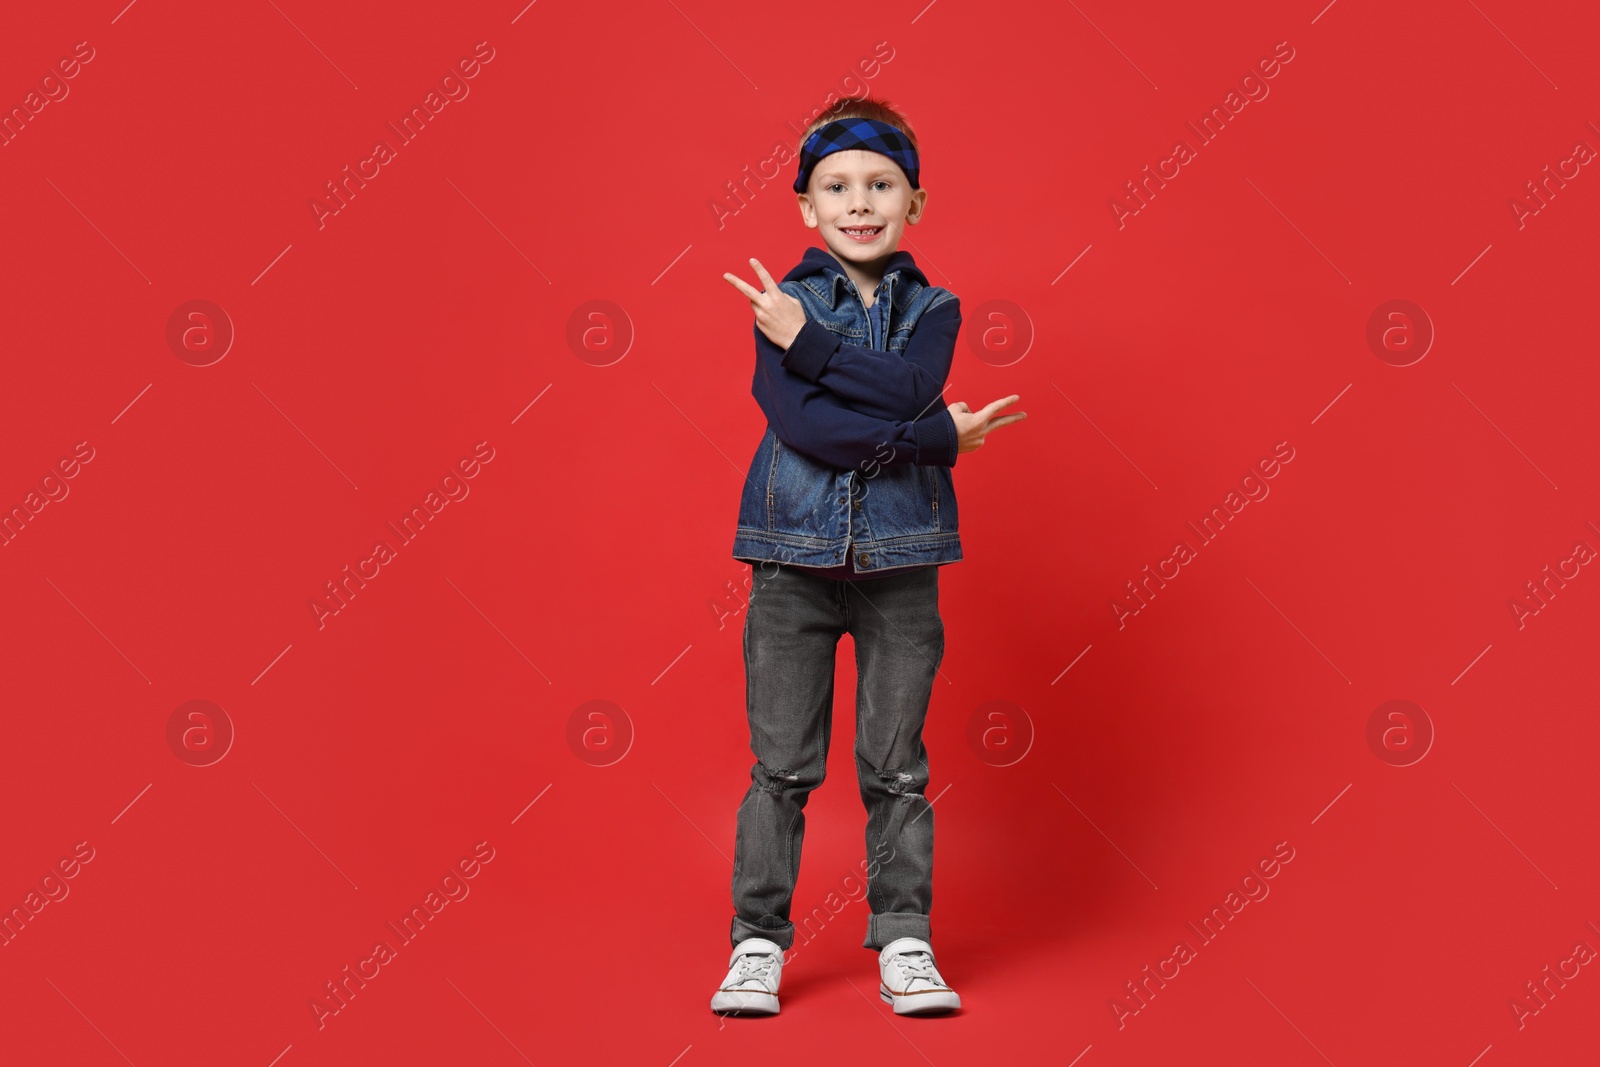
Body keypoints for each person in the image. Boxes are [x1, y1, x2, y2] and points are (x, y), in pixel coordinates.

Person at [713, 96, 1026, 1016]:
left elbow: (915, 382)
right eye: (837, 186)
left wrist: (817, 354)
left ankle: (904, 939)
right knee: (781, 767)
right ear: (806, 206)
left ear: (915, 203)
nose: (860, 202)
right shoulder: (782, 301)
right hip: (790, 565)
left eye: (881, 185)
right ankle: (758, 941)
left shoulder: (935, 306)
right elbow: (804, 425)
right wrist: (932, 440)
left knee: (898, 768)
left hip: (900, 563)